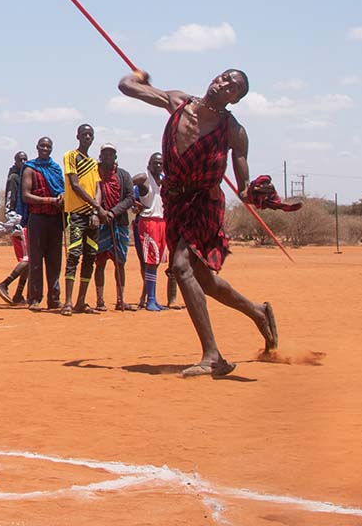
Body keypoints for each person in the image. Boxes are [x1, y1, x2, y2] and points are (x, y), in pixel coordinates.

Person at [118, 68, 278, 378]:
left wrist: (256, 192)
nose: (224, 84)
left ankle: (212, 355)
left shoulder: (234, 131)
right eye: (223, 77)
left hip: (205, 204)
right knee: (205, 281)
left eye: (233, 86)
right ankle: (258, 312)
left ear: (236, 99)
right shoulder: (177, 102)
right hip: (175, 203)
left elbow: (243, 187)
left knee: (180, 267)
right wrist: (139, 76)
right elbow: (126, 87)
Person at [62, 124, 104, 316]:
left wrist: (96, 213)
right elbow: (75, 185)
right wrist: (97, 208)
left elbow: (98, 188)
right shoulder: (71, 156)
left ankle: (81, 301)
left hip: (92, 216)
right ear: (77, 136)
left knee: (90, 257)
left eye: (90, 135)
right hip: (76, 214)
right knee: (74, 255)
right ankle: (68, 302)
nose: (87, 137)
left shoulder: (93, 163)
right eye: (84, 134)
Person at [20, 137, 65, 311]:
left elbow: (61, 188)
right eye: (42, 146)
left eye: (48, 146)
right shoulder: (30, 169)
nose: (45, 148)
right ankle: (34, 299)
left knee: (55, 261)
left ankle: (54, 299)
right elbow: (26, 195)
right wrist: (50, 200)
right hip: (37, 219)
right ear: (37, 148)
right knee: (36, 260)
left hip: (55, 219)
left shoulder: (55, 168)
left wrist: (61, 196)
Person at [91, 143, 136, 312]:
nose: (108, 156)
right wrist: (101, 213)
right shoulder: (94, 173)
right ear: (101, 155)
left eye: (112, 153)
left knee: (120, 263)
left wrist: (113, 212)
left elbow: (130, 197)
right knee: (99, 263)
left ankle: (120, 299)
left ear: (116, 156)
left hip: (119, 224)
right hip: (100, 225)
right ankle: (100, 300)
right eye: (105, 153)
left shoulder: (124, 175)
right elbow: (90, 194)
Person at [132, 152, 179, 311]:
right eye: (155, 163)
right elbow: (125, 185)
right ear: (149, 164)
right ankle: (150, 299)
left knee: (157, 262)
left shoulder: (165, 181)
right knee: (150, 262)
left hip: (162, 222)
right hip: (148, 222)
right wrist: (133, 202)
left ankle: (153, 299)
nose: (158, 166)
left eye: (160, 163)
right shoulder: (143, 178)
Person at [0, 151, 30, 305]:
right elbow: (9, 202)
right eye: (20, 159)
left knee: (26, 261)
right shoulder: (14, 178)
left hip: (26, 221)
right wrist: (13, 221)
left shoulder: (24, 177)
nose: (23, 161)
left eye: (25, 159)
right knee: (29, 259)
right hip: (18, 222)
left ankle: (18, 295)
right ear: (15, 161)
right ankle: (4, 284)